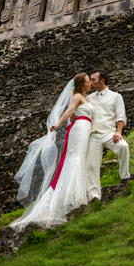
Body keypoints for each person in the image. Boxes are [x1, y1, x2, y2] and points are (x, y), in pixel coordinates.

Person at [10, 73, 96, 231]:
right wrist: (58, 124)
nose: (90, 83)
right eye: (87, 81)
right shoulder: (77, 96)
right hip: (79, 130)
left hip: (84, 128)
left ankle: (75, 193)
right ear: (81, 85)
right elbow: (69, 111)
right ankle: (73, 197)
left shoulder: (86, 96)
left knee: (79, 158)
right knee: (75, 158)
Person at [85, 69, 130, 201]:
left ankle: (124, 177)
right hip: (93, 135)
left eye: (93, 79)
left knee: (123, 147)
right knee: (92, 166)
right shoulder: (88, 98)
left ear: (102, 81)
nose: (91, 82)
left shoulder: (116, 96)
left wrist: (118, 132)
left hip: (109, 133)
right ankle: (94, 197)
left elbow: (121, 115)